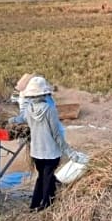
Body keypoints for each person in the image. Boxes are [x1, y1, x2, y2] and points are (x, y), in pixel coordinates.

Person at [18, 76, 73, 211]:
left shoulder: (28, 110)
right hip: (50, 151)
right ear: (45, 93)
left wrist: (10, 121)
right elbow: (55, 133)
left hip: (36, 151)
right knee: (48, 177)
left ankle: (34, 204)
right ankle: (46, 205)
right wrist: (66, 148)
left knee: (41, 176)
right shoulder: (50, 109)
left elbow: (20, 119)